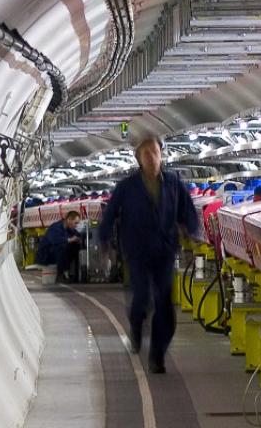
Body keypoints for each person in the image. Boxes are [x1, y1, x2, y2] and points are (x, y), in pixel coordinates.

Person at [99, 137, 198, 374]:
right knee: (142, 296)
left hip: (164, 251)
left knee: (165, 304)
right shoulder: (127, 186)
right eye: (146, 154)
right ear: (139, 159)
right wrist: (104, 240)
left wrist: (191, 232)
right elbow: (110, 214)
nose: (151, 157)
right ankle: (135, 324)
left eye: (155, 152)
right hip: (137, 251)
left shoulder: (173, 183)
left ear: (161, 154)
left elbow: (188, 210)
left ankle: (157, 354)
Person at [36, 210, 82, 282]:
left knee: (76, 247)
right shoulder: (56, 227)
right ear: (69, 220)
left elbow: (76, 235)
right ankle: (62, 273)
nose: (76, 225)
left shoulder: (69, 229)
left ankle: (74, 274)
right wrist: (70, 240)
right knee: (62, 246)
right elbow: (54, 241)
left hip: (54, 254)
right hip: (46, 255)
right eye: (75, 223)